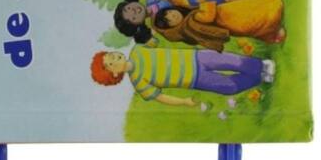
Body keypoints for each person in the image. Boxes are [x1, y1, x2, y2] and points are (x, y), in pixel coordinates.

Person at [91, 46, 275, 105]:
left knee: (228, 60)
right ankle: (258, 77)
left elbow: (153, 42)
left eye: (110, 54)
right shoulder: (139, 83)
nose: (114, 57)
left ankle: (262, 65)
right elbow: (161, 97)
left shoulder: (138, 51)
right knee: (228, 87)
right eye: (110, 63)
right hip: (194, 79)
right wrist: (183, 102)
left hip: (194, 57)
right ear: (114, 73)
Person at [113, 0, 269, 47]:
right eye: (132, 17)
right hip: (192, 11)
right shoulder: (158, 23)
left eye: (130, 8)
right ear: (137, 24)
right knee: (223, 9)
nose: (135, 11)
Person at [153, 0, 286, 45]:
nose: (173, 15)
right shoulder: (190, 22)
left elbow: (186, 4)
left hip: (227, 14)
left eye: (169, 12)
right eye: (170, 20)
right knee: (252, 20)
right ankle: (273, 22)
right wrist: (204, 2)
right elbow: (208, 16)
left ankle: (271, 32)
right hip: (228, 19)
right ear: (172, 27)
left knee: (251, 11)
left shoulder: (187, 19)